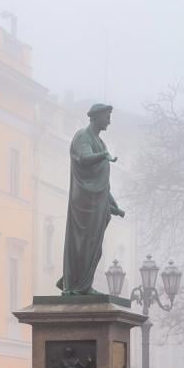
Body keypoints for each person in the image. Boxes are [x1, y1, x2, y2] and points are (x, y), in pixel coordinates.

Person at [57, 103, 125, 295]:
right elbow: (84, 158)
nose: (109, 121)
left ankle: (83, 283)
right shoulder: (82, 137)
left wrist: (113, 206)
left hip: (97, 201)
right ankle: (76, 284)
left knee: (94, 246)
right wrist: (103, 156)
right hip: (84, 202)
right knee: (83, 242)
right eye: (107, 116)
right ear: (95, 117)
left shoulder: (100, 142)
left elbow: (103, 184)